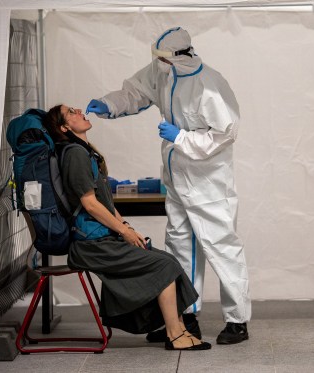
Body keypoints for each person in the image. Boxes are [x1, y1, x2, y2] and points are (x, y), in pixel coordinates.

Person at [85, 26, 251, 345]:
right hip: (176, 182)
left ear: (180, 55)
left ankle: (238, 320)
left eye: (161, 59)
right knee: (178, 249)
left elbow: (226, 132)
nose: (156, 63)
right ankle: (184, 319)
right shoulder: (163, 71)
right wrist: (109, 105)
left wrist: (183, 138)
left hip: (209, 184)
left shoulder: (210, 85)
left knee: (222, 248)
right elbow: (136, 91)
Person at [43, 104, 211, 351]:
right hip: (91, 246)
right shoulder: (75, 155)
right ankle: (175, 335)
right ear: (64, 127)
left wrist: (126, 226)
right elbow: (90, 205)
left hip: (102, 239)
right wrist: (124, 232)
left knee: (166, 260)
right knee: (164, 265)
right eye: (71, 112)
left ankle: (179, 328)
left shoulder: (85, 152)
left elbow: (106, 204)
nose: (79, 110)